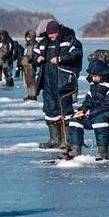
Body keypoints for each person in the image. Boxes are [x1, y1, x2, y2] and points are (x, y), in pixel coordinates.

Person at [68, 60, 109, 161]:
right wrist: (82, 110)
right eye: (92, 76)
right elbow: (89, 100)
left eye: (95, 76)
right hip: (102, 111)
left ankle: (102, 152)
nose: (93, 78)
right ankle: (75, 150)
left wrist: (92, 112)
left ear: (102, 74)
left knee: (99, 119)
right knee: (75, 120)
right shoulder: (95, 84)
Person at [36, 20, 83, 152]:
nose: (51, 36)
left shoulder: (69, 40)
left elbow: (76, 53)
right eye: (49, 33)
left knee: (65, 109)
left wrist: (60, 58)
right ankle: (54, 140)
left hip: (64, 80)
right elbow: (34, 53)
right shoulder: (44, 42)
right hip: (47, 80)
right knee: (50, 109)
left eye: (53, 33)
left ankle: (66, 140)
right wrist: (37, 58)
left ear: (58, 31)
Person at [21, 30, 39, 100]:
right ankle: (29, 94)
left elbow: (36, 54)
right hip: (25, 65)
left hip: (31, 65)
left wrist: (32, 59)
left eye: (29, 36)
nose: (27, 38)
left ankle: (33, 95)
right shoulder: (27, 44)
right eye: (27, 36)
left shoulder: (35, 44)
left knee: (31, 81)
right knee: (27, 81)